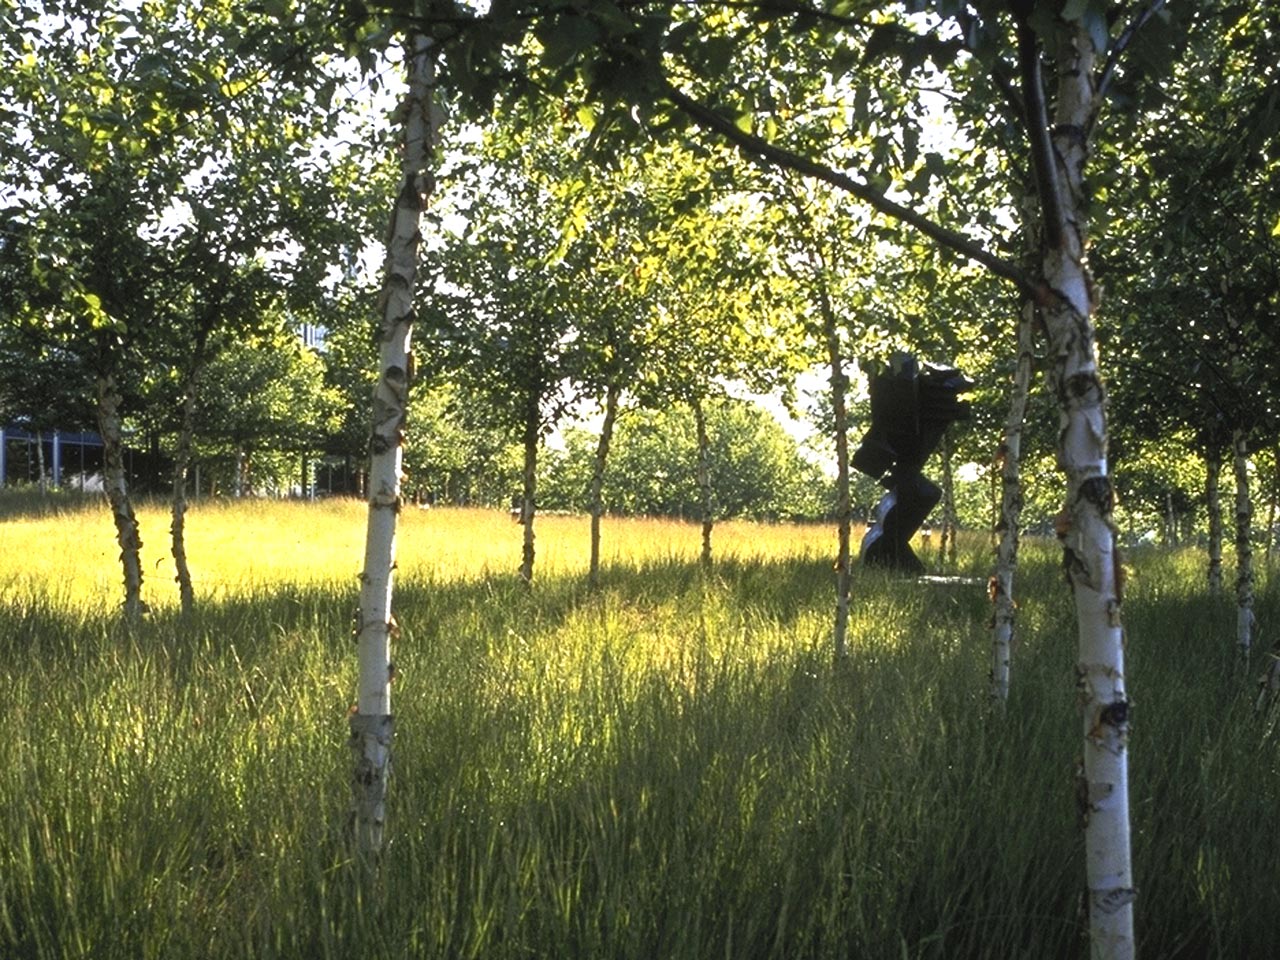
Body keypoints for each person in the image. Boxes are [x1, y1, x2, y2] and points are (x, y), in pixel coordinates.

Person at [852, 352, 971, 573]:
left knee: (927, 493)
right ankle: (894, 561)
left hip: (907, 469)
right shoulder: (907, 422)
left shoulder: (921, 419)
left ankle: (897, 561)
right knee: (926, 493)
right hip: (905, 469)